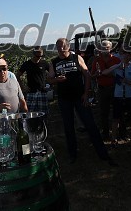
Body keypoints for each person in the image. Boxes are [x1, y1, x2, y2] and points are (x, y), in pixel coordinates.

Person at [48, 38, 117, 166]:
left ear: (68, 47)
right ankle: (72, 155)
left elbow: (87, 75)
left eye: (62, 46)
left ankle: (103, 154)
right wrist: (57, 79)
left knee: (90, 125)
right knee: (68, 127)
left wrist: (86, 93)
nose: (60, 49)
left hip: (80, 97)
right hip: (64, 99)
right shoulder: (54, 62)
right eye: (58, 46)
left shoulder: (77, 58)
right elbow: (50, 79)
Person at [103, 49, 131, 145]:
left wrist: (129, 82)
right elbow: (104, 72)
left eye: (129, 55)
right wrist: (117, 66)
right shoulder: (116, 68)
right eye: (124, 55)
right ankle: (113, 138)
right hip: (118, 95)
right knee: (116, 117)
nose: (126, 57)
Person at [90, 40, 121, 140]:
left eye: (107, 47)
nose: (104, 49)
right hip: (102, 89)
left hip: (115, 88)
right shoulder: (97, 61)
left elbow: (121, 75)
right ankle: (106, 133)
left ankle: (119, 132)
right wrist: (97, 74)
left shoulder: (117, 60)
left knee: (117, 111)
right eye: (102, 47)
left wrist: (111, 74)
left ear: (111, 48)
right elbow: (92, 75)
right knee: (104, 112)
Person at [17, 46, 50, 114]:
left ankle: (42, 124)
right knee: (30, 114)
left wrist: (49, 84)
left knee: (43, 114)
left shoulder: (45, 63)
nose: (39, 58)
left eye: (41, 56)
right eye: (38, 56)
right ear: (33, 54)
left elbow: (52, 74)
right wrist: (23, 87)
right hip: (31, 92)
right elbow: (18, 75)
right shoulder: (27, 64)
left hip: (42, 91)